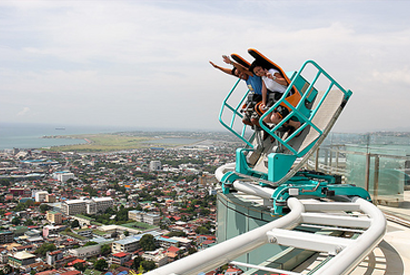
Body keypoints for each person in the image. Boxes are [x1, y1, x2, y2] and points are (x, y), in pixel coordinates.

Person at [209, 56, 262, 127]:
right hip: (256, 100)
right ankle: (261, 128)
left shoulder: (252, 75)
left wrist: (231, 62)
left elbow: (243, 69)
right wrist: (217, 67)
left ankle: (268, 131)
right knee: (245, 120)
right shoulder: (246, 79)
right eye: (238, 75)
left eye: (240, 72)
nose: (240, 76)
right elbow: (231, 72)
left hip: (263, 99)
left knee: (253, 120)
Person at [249, 60, 301, 133]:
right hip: (278, 98)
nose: (259, 73)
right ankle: (287, 126)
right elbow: (264, 91)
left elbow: (285, 83)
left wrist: (273, 78)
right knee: (265, 119)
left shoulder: (272, 72)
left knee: (274, 119)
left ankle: (296, 125)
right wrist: (263, 103)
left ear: (263, 67)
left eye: (259, 70)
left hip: (287, 96)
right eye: (256, 72)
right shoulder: (263, 77)